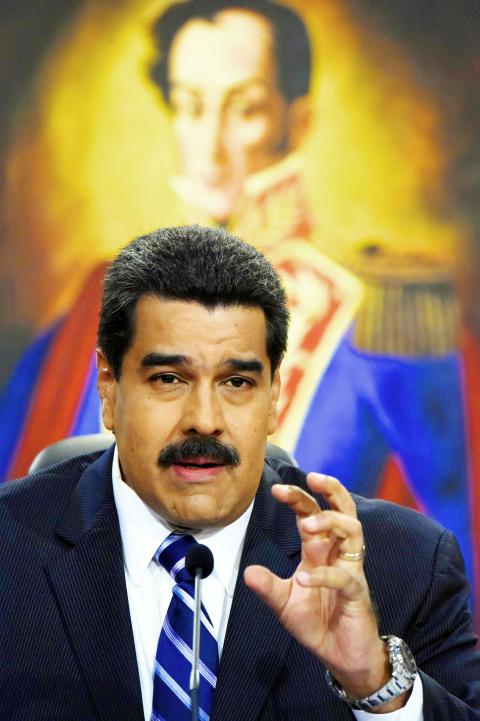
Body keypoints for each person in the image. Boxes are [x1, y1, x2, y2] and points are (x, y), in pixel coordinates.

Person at [0, 0, 478, 615]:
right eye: (191, 106)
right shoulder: (99, 302)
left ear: (296, 122)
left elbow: (453, 573)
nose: (211, 144)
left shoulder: (382, 321)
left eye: (244, 109)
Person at [0, 225, 478, 721]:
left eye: (237, 382)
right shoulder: (8, 550)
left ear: (272, 398)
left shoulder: (405, 564)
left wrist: (375, 684)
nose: (205, 420)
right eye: (169, 379)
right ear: (109, 385)